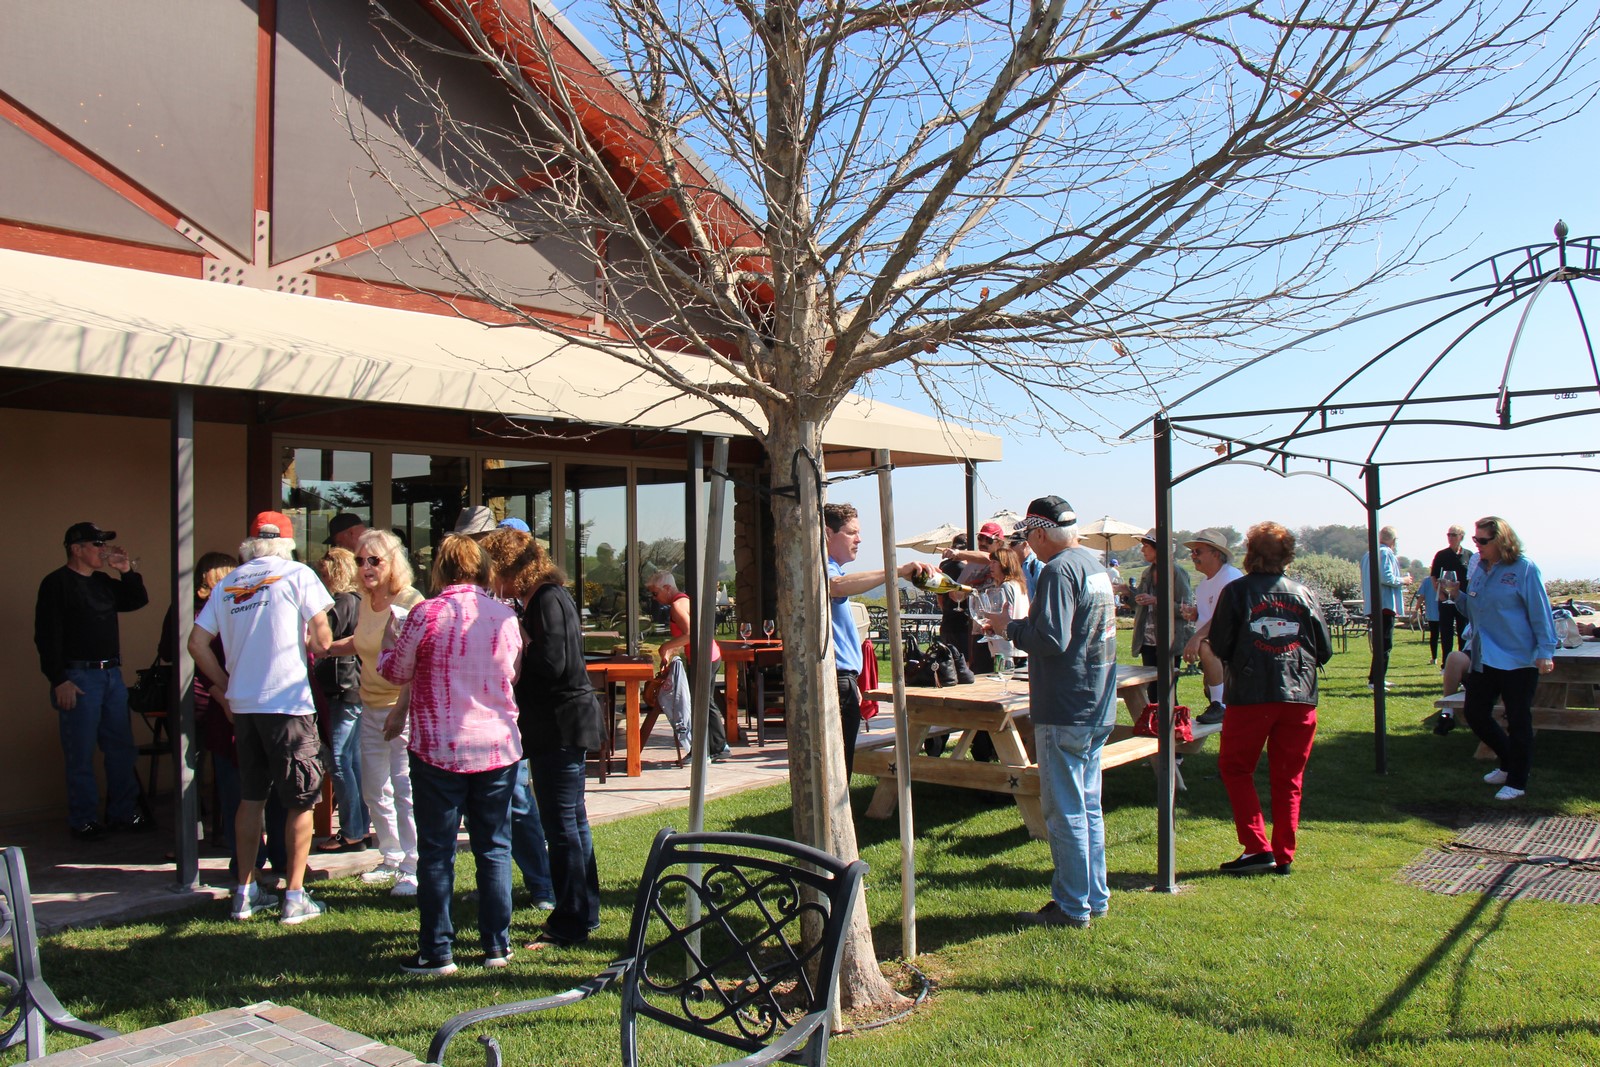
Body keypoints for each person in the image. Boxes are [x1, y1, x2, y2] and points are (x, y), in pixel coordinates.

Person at [378, 535, 524, 974]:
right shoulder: (505, 615)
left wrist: (390, 640)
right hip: (496, 745)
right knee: (495, 847)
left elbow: (394, 671)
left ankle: (437, 950)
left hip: (438, 746)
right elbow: (512, 673)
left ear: (441, 570)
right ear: (483, 569)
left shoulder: (426, 613)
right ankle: (497, 946)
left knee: (437, 851)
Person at [188, 512, 334, 925]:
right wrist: (305, 637)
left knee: (251, 799)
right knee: (301, 800)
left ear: (251, 542)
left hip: (246, 706)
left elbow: (196, 644)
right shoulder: (297, 573)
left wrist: (227, 684)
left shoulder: (229, 582)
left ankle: (245, 892)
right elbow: (322, 640)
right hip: (288, 704)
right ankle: (294, 895)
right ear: (287, 542)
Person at [985, 495, 1116, 929]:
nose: (1028, 550)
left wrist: (1010, 628)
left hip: (1065, 704)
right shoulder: (1094, 566)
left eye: (1029, 540)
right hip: (1096, 700)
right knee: (1089, 806)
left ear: (1040, 533)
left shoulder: (1060, 570)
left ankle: (1072, 905)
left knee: (1064, 810)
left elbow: (1053, 639)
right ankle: (1093, 896)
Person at [499, 529, 606, 949]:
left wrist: (518, 645)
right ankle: (583, 911)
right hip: (559, 723)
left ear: (514, 570)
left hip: (559, 724)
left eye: (498, 573)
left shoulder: (545, 599)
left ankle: (569, 922)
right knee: (571, 824)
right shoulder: (546, 598)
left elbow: (553, 663)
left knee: (562, 827)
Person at [1207, 522, 1333, 877]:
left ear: (1250, 554)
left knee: (1236, 768)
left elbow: (1219, 643)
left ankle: (1256, 846)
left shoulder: (1236, 591)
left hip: (1251, 694)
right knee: (1289, 776)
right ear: (1288, 555)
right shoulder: (1304, 594)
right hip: (1300, 694)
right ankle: (1284, 852)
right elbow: (1323, 649)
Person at [35, 521, 149, 840]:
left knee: (121, 748)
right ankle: (83, 818)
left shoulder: (102, 582)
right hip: (78, 676)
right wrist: (59, 679)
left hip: (111, 673)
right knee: (80, 750)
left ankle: (123, 812)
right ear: (77, 549)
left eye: (103, 544)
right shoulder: (56, 584)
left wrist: (126, 571)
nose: (102, 550)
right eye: (96, 545)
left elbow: (136, 600)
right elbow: (46, 636)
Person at [325, 529, 424, 894]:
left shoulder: (409, 601)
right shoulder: (367, 601)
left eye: (374, 560)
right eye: (360, 560)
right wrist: (325, 647)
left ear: (392, 563)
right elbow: (362, 641)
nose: (365, 567)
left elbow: (417, 659)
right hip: (369, 705)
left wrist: (401, 709)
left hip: (403, 707)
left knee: (404, 787)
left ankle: (414, 866)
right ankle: (391, 857)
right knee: (373, 788)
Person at [1442, 516, 1557, 800]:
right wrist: (1458, 596)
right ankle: (1508, 762)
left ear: (1501, 540)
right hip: (1485, 655)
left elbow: (1540, 612)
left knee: (1518, 719)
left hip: (1518, 658)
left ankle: (1517, 781)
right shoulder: (1479, 568)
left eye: (1483, 540)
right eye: (1475, 540)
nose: (1477, 546)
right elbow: (1476, 611)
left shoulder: (1524, 568)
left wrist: (1546, 651)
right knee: (1475, 713)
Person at [478, 527, 556, 910]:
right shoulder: (487, 599)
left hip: (511, 716)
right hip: (484, 714)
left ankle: (542, 886)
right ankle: (499, 884)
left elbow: (543, 662)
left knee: (519, 801)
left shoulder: (533, 601)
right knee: (495, 807)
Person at [825, 502, 932, 774]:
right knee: (838, 764)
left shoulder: (834, 568)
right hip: (834, 679)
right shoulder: (823, 568)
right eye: (852, 532)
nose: (859, 539)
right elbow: (835, 587)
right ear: (827, 533)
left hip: (844, 678)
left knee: (842, 758)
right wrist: (895, 571)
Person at [312, 549, 369, 853]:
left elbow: (322, 642)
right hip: (354, 687)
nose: (320, 580)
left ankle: (352, 830)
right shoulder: (360, 602)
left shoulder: (342, 603)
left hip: (341, 688)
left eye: (323, 574)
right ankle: (359, 827)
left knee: (338, 760)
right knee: (353, 761)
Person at [645, 570, 730, 761]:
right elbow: (685, 636)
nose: (654, 598)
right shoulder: (684, 600)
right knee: (704, 703)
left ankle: (705, 750)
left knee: (698, 704)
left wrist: (665, 646)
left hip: (703, 656)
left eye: (655, 593)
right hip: (709, 654)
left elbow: (691, 633)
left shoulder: (676, 605)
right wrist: (670, 651)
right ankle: (717, 746)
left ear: (667, 588)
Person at [1119, 528, 1194, 705]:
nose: (1142, 550)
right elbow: (1139, 606)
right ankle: (1155, 728)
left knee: (1167, 690)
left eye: (1145, 546)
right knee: (1152, 690)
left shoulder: (1177, 572)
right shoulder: (1146, 573)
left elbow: (1186, 609)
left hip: (1169, 641)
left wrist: (1155, 600)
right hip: (1148, 641)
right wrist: (1128, 594)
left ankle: (1172, 728)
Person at [1180, 529, 1243, 725]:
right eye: (1192, 552)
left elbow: (1224, 616)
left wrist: (1197, 637)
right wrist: (1196, 613)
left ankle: (1219, 705)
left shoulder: (1230, 577)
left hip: (1228, 647)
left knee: (1207, 646)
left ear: (1216, 553)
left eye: (1197, 551)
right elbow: (1213, 610)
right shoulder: (1206, 583)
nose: (1193, 556)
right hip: (1218, 645)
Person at [1360, 526, 1412, 691]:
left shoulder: (1368, 554)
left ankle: (1376, 678)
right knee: (1384, 644)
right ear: (1393, 541)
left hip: (1373, 603)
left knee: (1380, 644)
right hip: (1385, 604)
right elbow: (1386, 576)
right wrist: (1404, 580)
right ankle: (1376, 680)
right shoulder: (1385, 553)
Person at [1429, 525, 1473, 662]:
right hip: (1445, 598)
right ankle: (1446, 663)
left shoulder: (1469, 555)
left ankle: (1464, 661)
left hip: (1462, 599)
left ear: (1461, 536)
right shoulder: (1441, 555)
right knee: (1446, 632)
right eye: (1449, 535)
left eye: (1453, 535)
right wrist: (1439, 594)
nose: (1450, 537)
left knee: (1463, 631)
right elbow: (1434, 576)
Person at [982, 545, 1031, 664]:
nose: (991, 566)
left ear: (1005, 564)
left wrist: (990, 624)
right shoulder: (1018, 584)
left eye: (994, 562)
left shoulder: (1006, 586)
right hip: (1019, 646)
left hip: (1008, 649)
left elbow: (1006, 615)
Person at [1415, 574, 1441, 666]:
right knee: (1445, 636)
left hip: (1432, 612)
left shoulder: (1427, 581)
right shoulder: (1444, 579)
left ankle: (1434, 658)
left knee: (1434, 636)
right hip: (1443, 612)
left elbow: (1421, 596)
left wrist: (1416, 609)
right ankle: (1446, 657)